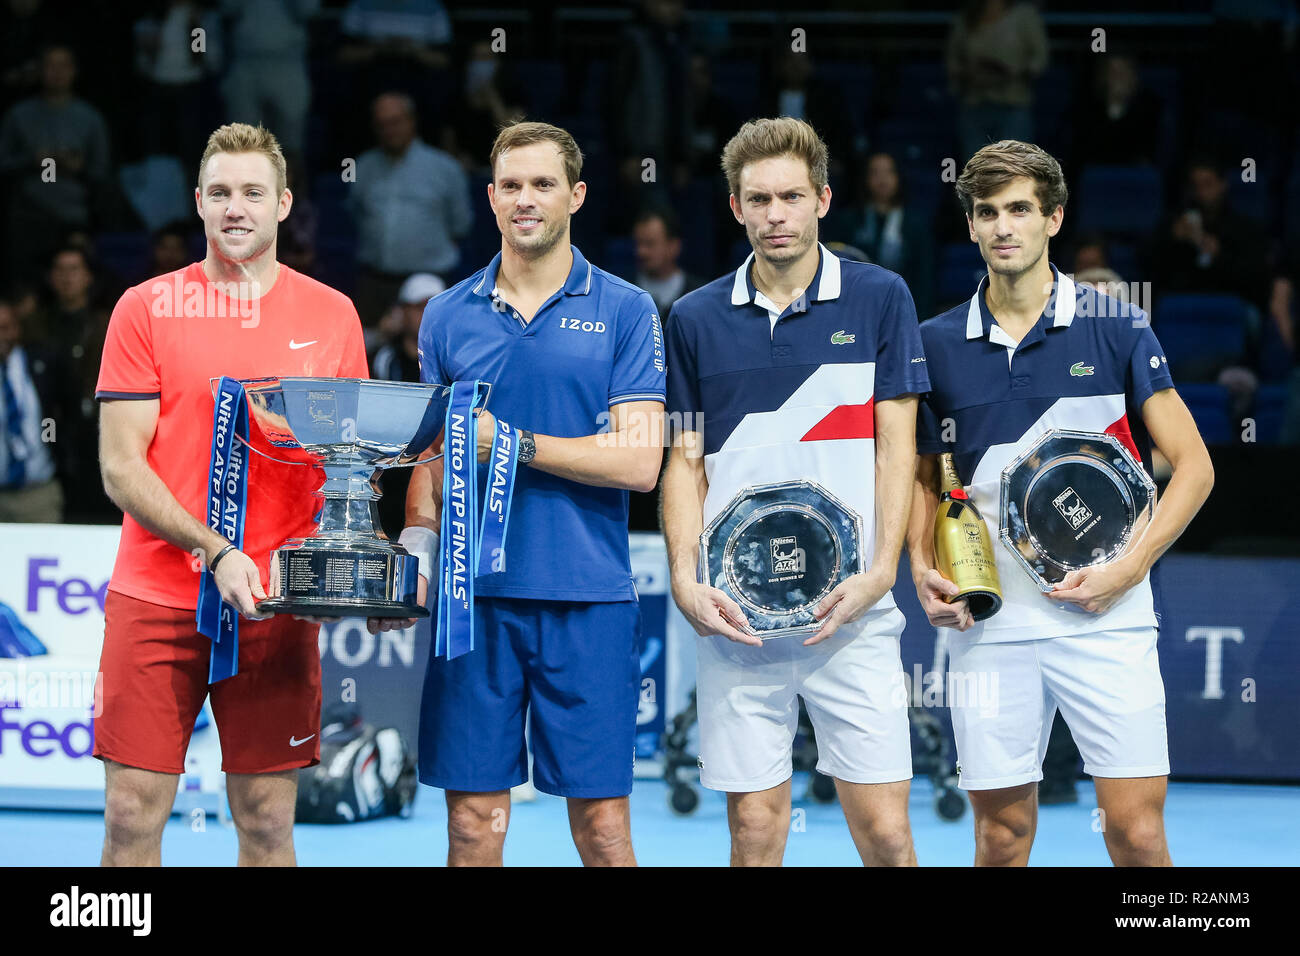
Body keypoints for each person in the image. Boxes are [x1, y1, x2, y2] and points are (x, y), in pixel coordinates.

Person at [908, 140, 1214, 866]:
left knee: (1135, 833)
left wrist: (1128, 569)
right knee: (1001, 838)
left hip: (1107, 618)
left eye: (1020, 209)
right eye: (987, 212)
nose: (1003, 226)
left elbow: (1196, 468)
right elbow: (926, 479)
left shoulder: (1118, 326)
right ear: (973, 226)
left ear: (1054, 217)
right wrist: (924, 566)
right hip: (989, 625)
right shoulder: (934, 345)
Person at [370, 121, 664, 867]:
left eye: (542, 184)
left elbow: (640, 463)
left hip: (587, 600)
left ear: (577, 194)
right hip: (474, 608)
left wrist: (516, 444)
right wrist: (414, 557)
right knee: (472, 827)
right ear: (491, 198)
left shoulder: (627, 309)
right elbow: (432, 458)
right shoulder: (444, 315)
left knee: (602, 832)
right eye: (510, 186)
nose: (525, 199)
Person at [93, 122, 369, 866]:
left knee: (267, 821)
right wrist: (214, 550)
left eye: (252, 192)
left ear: (283, 204)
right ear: (198, 204)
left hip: (275, 602)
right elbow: (120, 466)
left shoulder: (332, 314)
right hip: (157, 595)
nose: (235, 208)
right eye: (220, 193)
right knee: (128, 815)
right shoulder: (144, 307)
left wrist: (366, 583)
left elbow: (351, 465)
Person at [660, 117, 928, 866]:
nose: (775, 214)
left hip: (854, 616)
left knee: (884, 833)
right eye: (758, 199)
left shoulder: (882, 297)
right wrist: (686, 579)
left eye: (791, 197)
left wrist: (880, 575)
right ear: (736, 207)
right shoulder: (693, 318)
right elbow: (684, 463)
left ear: (823, 200)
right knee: (753, 834)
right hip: (738, 619)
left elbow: (897, 450)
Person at [349, 91, 472, 327]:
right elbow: (356, 215)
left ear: (411, 121)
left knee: (430, 352)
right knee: (368, 350)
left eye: (395, 122)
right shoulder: (362, 167)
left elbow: (461, 225)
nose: (389, 130)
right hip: (375, 282)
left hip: (429, 281)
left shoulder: (444, 168)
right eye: (382, 124)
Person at [828, 151, 937, 320]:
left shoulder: (916, 225)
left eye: (889, 172)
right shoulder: (847, 222)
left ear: (899, 177)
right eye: (875, 172)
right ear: (865, 179)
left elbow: (925, 278)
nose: (882, 179)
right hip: (856, 310)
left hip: (904, 309)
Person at [0, 294, 76, 522]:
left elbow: (56, 415)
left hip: (39, 493)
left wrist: (50, 437)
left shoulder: (42, 364)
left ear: (17, 328)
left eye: (5, 328)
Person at [632, 206, 702, 318]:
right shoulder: (623, 292)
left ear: (674, 246)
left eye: (649, 244)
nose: (641, 252)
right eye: (638, 243)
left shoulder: (698, 296)